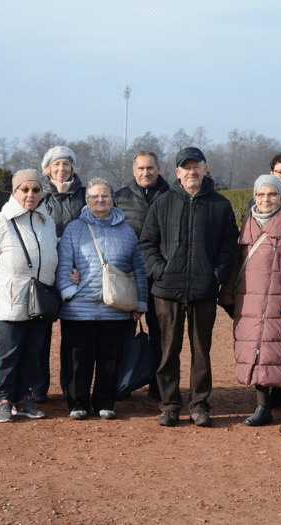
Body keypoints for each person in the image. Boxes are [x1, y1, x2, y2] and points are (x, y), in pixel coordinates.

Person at [139, 147, 239, 428]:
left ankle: (199, 406)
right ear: (177, 172)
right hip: (167, 291)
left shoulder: (220, 204)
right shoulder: (162, 203)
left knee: (201, 352)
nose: (192, 171)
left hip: (203, 291)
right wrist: (160, 272)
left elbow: (229, 245)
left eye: (197, 166)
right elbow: (147, 243)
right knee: (168, 350)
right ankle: (170, 404)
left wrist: (215, 274)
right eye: (187, 167)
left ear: (205, 170)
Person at [220, 175, 281, 434]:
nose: (265, 199)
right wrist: (227, 296)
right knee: (256, 352)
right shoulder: (247, 221)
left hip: (280, 301)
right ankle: (263, 408)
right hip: (249, 298)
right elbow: (237, 262)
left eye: (271, 194)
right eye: (260, 195)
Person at [56, 178, 148, 420]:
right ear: (86, 201)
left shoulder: (127, 231)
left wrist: (140, 304)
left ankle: (105, 402)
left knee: (110, 360)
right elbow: (63, 265)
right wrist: (69, 293)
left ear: (112, 199)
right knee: (77, 361)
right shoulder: (74, 229)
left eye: (105, 196)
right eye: (95, 196)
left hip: (116, 310)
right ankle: (78, 403)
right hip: (79, 310)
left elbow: (138, 268)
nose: (100, 200)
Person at [0, 169, 59, 423]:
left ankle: (24, 398)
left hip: (40, 301)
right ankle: (4, 400)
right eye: (25, 189)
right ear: (15, 191)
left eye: (36, 190)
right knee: (9, 354)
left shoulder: (47, 221)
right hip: (10, 302)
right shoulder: (0, 222)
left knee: (33, 353)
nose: (31, 195)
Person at [113, 151, 171, 400]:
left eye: (150, 168)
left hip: (161, 276)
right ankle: (123, 382)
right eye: (141, 168)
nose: (145, 173)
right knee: (123, 334)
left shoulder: (172, 196)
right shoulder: (119, 198)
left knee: (160, 334)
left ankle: (159, 385)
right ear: (133, 170)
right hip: (128, 276)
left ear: (159, 168)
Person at [35, 145, 86, 403]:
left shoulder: (85, 195)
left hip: (75, 273)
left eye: (66, 164)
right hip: (45, 271)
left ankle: (71, 388)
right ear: (48, 169)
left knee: (73, 337)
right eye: (57, 165)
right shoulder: (37, 195)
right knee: (40, 335)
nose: (62, 169)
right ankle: (38, 387)